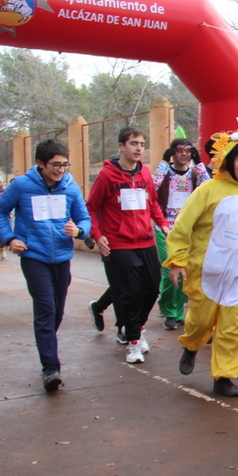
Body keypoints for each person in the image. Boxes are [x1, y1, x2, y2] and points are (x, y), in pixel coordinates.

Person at [165, 127, 238, 398]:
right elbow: (183, 226)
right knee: (200, 320)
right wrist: (178, 261)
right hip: (207, 271)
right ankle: (191, 346)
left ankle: (224, 376)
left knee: (235, 326)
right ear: (230, 160)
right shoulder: (208, 190)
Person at [0, 139, 91, 391]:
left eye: (64, 164)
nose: (60, 170)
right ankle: (50, 368)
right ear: (40, 164)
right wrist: (10, 238)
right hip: (34, 256)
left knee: (56, 312)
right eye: (55, 165)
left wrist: (79, 230)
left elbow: (84, 217)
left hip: (62, 259)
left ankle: (46, 344)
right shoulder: (22, 185)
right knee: (46, 309)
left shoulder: (70, 187)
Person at [86, 126, 168, 364]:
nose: (139, 149)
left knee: (152, 289)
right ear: (121, 146)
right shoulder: (107, 176)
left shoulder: (145, 174)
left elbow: (152, 203)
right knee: (131, 293)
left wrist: (161, 223)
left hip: (145, 240)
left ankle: (137, 328)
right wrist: (97, 234)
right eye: (134, 143)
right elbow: (91, 208)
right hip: (118, 243)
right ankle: (132, 342)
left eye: (142, 144)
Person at [153, 138, 211, 331]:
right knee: (170, 268)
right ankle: (169, 311)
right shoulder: (165, 173)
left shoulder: (194, 174)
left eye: (188, 151)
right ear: (173, 152)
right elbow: (152, 188)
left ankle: (178, 312)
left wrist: (200, 162)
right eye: (180, 150)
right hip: (165, 226)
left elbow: (207, 187)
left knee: (186, 270)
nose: (184, 154)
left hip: (188, 227)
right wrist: (163, 161)